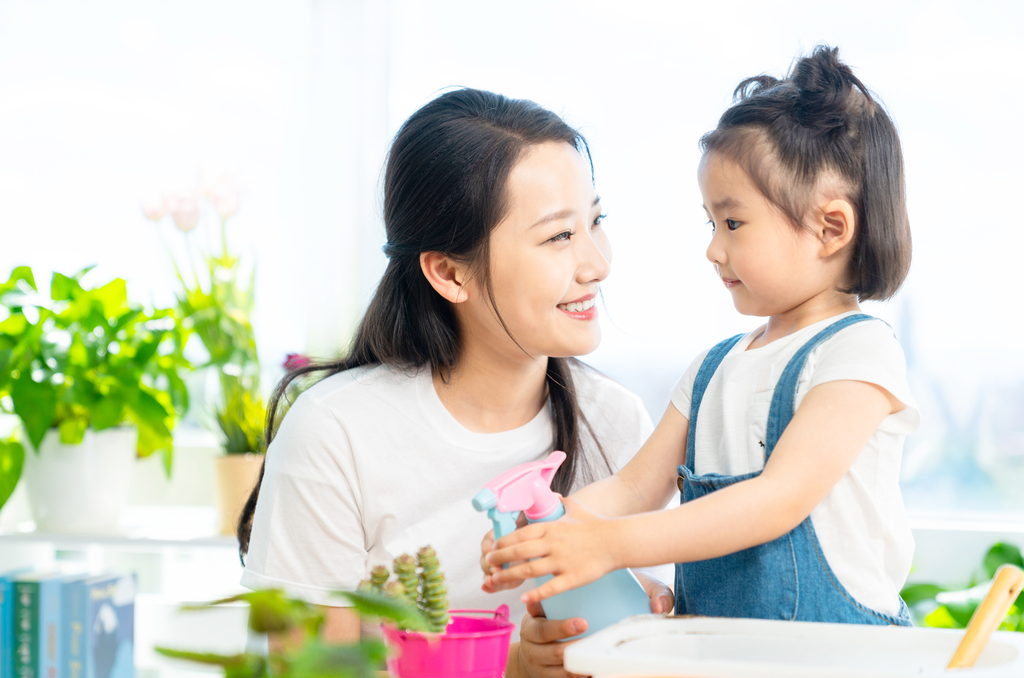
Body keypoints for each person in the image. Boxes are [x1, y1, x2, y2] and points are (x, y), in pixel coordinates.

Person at [236, 88, 673, 677]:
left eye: (595, 222)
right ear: (449, 272)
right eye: (558, 237)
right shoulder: (335, 431)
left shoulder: (616, 421)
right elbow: (309, 669)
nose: (597, 264)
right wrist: (511, 666)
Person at [485, 46, 919, 626]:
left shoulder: (858, 353)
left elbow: (777, 501)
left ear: (830, 227)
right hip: (718, 656)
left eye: (733, 223)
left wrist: (608, 546)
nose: (713, 249)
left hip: (838, 658)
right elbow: (636, 488)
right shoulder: (714, 369)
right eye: (711, 224)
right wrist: (550, 529)